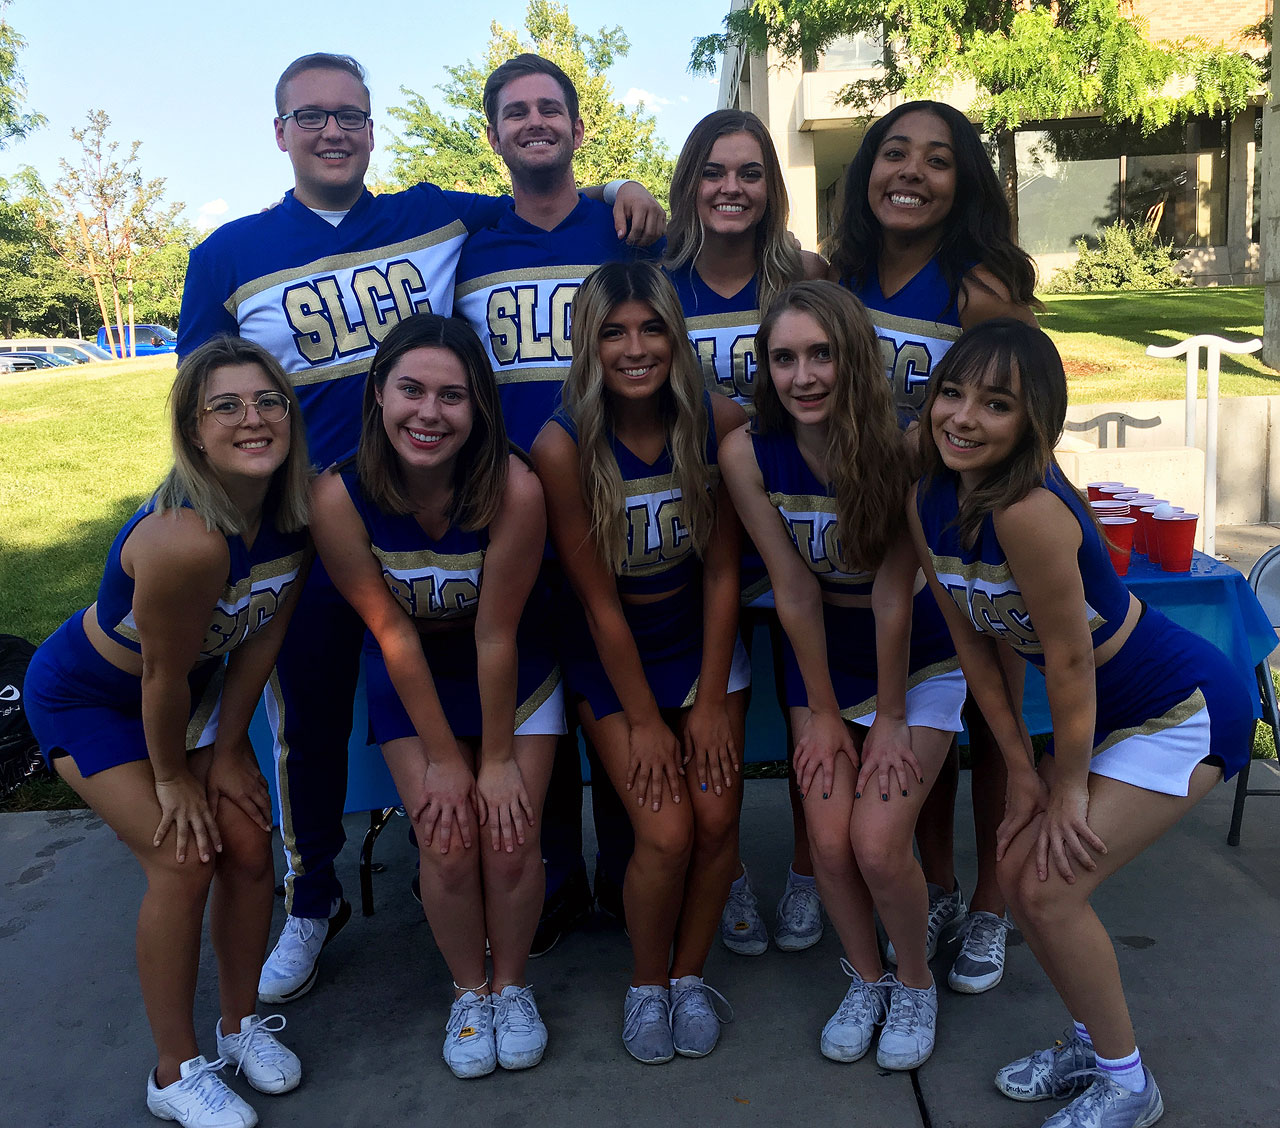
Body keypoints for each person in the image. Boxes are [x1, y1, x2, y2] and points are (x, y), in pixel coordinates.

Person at [177, 51, 664, 1005]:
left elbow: (541, 188)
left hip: (465, 511)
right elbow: (205, 398)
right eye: (310, 117)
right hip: (311, 524)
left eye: (350, 115)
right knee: (310, 719)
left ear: (371, 127)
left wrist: (623, 183)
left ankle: (557, 878)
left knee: (534, 678)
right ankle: (311, 898)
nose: (332, 132)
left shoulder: (434, 215)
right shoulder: (228, 254)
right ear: (279, 132)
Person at [908, 318, 1253, 1128]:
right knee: (1028, 880)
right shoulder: (930, 494)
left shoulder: (1027, 510)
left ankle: (1130, 1085)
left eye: (996, 404)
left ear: (1036, 423)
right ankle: (1096, 1044)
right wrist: (1022, 775)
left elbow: (1066, 661)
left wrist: (1063, 789)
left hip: (1180, 710)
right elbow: (975, 638)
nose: (963, 417)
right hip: (1105, 715)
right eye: (952, 393)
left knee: (1047, 889)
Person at [24, 337, 311, 1128]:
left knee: (251, 842)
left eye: (267, 401)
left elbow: (258, 641)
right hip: (93, 699)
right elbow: (158, 680)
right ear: (192, 429)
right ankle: (174, 1069)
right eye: (226, 406)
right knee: (184, 859)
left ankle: (240, 1024)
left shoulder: (297, 513)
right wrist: (174, 777)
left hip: (187, 695)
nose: (252, 419)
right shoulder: (186, 539)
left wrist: (223, 752)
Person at [719, 281, 967, 1071]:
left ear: (853, 356)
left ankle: (916, 982)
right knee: (829, 844)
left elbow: (896, 591)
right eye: (784, 358)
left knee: (879, 843)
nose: (803, 376)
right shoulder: (746, 452)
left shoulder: (904, 446)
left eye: (820, 354)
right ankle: (866, 978)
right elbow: (791, 587)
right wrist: (823, 711)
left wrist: (890, 717)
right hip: (822, 654)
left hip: (916, 654)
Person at [308, 313, 562, 1079]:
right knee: (447, 846)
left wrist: (492, 762)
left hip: (509, 667)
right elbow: (391, 632)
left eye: (453, 396)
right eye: (411, 390)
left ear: (479, 406)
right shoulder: (338, 495)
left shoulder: (515, 485)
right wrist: (447, 763)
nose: (429, 413)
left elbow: (496, 636)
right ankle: (468, 991)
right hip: (408, 667)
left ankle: (512, 986)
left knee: (511, 836)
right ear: (379, 392)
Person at [831, 98, 1039, 993]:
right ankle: (943, 883)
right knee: (925, 718)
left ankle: (994, 904)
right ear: (868, 168)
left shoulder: (981, 286)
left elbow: (1031, 407)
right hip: (881, 537)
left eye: (938, 159)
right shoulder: (837, 277)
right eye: (894, 153)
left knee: (994, 721)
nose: (910, 172)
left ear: (965, 185)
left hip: (970, 533)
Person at [454, 53, 655, 952]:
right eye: (515, 112)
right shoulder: (466, 237)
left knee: (611, 685)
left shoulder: (625, 230)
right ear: (494, 135)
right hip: (505, 512)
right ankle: (553, 879)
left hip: (614, 499)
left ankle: (629, 872)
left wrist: (629, 184)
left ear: (579, 129)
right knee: (533, 693)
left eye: (551, 109)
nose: (534, 122)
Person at [531, 261, 750, 1063]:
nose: (633, 347)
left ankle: (690, 976)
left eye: (651, 328)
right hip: (613, 655)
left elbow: (725, 572)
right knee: (663, 831)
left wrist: (714, 698)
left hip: (701, 644)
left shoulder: (717, 423)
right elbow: (596, 603)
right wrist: (651, 722)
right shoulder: (562, 445)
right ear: (587, 344)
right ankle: (646, 985)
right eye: (613, 331)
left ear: (676, 336)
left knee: (719, 818)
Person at [664, 107, 828, 958]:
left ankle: (807, 872)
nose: (732, 188)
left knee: (811, 713)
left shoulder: (802, 272)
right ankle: (726, 879)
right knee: (715, 718)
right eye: (715, 171)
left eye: (750, 172)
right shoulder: (658, 279)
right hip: (699, 542)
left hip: (800, 533)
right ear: (691, 181)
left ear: (772, 187)